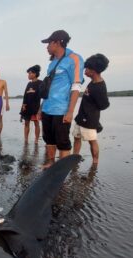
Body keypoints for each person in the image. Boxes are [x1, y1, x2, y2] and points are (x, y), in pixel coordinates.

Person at [40, 30, 84, 168]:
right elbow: (49, 87)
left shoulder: (74, 58)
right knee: (49, 138)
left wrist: (70, 111)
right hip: (47, 107)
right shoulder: (52, 62)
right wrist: (41, 108)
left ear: (57, 42)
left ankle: (62, 170)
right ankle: (51, 162)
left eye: (48, 43)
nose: (46, 47)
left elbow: (76, 86)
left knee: (62, 141)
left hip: (61, 109)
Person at [73, 54, 110, 166]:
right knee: (76, 137)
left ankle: (95, 163)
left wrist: (91, 111)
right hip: (81, 117)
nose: (85, 71)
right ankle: (74, 158)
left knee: (92, 141)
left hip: (89, 120)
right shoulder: (92, 82)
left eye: (87, 69)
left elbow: (104, 105)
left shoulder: (100, 87)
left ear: (93, 71)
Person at [20, 65, 42, 143]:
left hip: (36, 107)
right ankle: (26, 139)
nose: (29, 75)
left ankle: (36, 140)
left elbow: (44, 96)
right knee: (26, 123)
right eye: (28, 73)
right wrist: (23, 105)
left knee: (36, 123)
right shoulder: (29, 84)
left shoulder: (40, 83)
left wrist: (40, 109)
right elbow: (25, 95)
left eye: (30, 73)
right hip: (27, 107)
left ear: (35, 74)